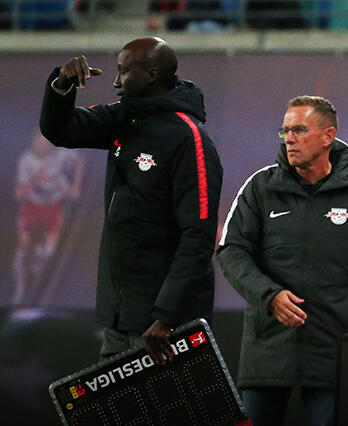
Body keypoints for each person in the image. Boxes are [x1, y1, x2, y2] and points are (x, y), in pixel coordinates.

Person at [217, 95, 348, 426]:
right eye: (285, 130)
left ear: (327, 136)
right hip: (268, 343)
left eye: (299, 129)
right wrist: (269, 296)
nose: (289, 137)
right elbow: (231, 251)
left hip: (335, 348)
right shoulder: (260, 187)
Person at [39, 37, 223, 363]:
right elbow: (61, 130)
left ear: (151, 75)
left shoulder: (188, 138)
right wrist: (61, 84)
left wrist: (167, 317)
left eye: (123, 72)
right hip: (119, 319)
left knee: (170, 415)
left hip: (163, 327)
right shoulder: (124, 118)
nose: (114, 81)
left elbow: (199, 236)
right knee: (117, 415)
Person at [13, 132, 84, 306]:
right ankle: (19, 287)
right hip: (33, 205)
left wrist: (76, 186)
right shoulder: (27, 161)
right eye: (38, 144)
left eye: (45, 144)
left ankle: (39, 261)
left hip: (54, 205)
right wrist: (37, 180)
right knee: (24, 246)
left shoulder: (60, 155)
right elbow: (21, 194)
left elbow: (79, 160)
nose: (41, 147)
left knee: (49, 250)